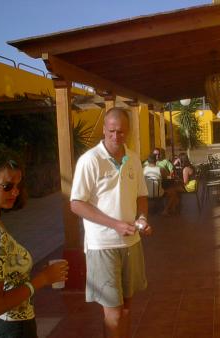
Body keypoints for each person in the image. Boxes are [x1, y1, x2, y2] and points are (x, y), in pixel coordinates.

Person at [70, 107, 152, 338]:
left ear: (129, 132)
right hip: (102, 246)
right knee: (113, 314)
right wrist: (114, 224)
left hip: (131, 244)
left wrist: (142, 218)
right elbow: (76, 204)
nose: (116, 137)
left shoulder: (133, 158)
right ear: (104, 129)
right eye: (112, 131)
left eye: (122, 132)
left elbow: (141, 196)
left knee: (125, 310)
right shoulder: (90, 160)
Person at [0, 144, 69, 338]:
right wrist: (42, 279)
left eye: (18, 185)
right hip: (10, 328)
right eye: (7, 186)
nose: (15, 192)